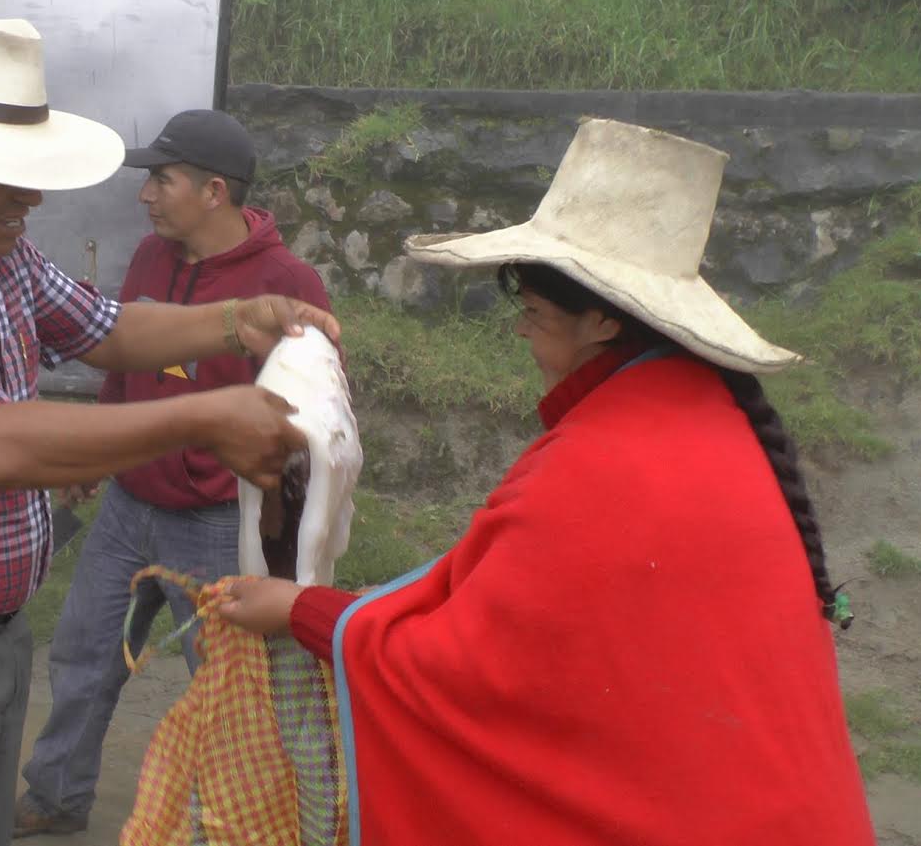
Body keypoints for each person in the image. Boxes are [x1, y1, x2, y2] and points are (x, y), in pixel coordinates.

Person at [218, 119, 874, 845]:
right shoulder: (704, 419)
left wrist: (308, 613)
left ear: (598, 320)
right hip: (782, 806)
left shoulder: (599, 463)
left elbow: (465, 669)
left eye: (532, 313)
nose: (522, 333)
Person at [0, 18, 340, 846]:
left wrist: (239, 319)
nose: (31, 199)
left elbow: (107, 328)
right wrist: (204, 416)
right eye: (8, 176)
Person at [14, 109, 332, 838]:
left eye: (161, 180)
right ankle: (57, 795)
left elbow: (307, 421)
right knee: (83, 651)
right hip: (130, 506)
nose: (145, 195)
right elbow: (122, 355)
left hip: (218, 523)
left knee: (225, 685)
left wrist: (280, 532)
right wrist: (99, 455)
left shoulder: (285, 282)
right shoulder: (151, 258)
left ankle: (230, 825)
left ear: (214, 191)